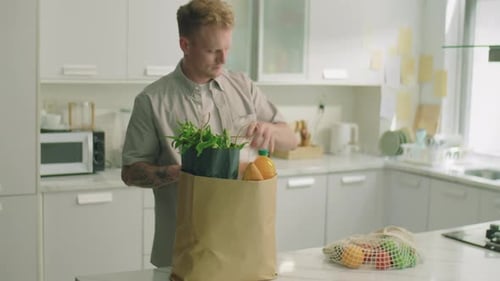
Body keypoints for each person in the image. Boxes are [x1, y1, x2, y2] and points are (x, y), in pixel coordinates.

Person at [121, 0, 298, 268]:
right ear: (185, 45)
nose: (223, 59)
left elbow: (292, 138)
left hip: (243, 246)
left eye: (227, 48)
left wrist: (270, 130)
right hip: (181, 253)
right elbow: (130, 172)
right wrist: (184, 173)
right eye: (213, 50)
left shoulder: (243, 87)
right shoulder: (152, 101)